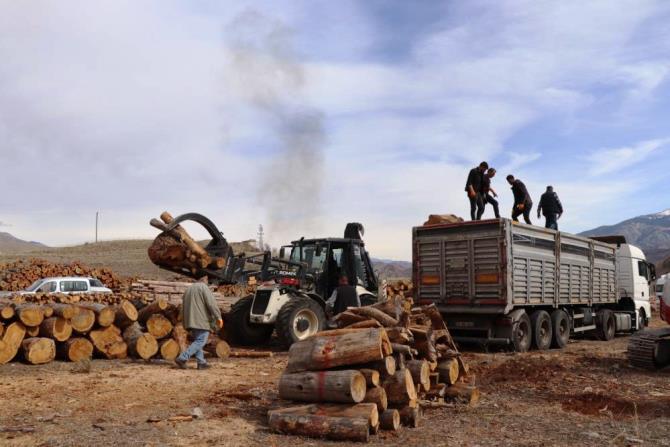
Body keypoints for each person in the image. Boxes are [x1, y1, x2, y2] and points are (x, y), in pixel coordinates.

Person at [175, 280, 223, 370]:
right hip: (201, 320)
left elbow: (183, 307)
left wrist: (184, 320)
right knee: (201, 341)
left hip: (190, 320)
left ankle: (201, 363)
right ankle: (182, 358)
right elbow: (211, 304)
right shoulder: (203, 288)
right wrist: (218, 317)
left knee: (198, 341)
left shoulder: (188, 289)